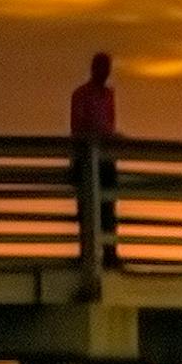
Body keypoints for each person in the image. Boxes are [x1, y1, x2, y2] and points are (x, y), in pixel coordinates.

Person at [69, 53, 122, 261]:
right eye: (101, 67)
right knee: (88, 210)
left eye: (107, 67)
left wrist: (111, 136)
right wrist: (105, 134)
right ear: (93, 68)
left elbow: (109, 123)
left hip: (106, 158)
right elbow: (79, 126)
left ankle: (110, 253)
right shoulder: (81, 94)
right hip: (87, 158)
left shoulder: (109, 94)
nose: (105, 72)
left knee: (108, 207)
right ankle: (88, 254)